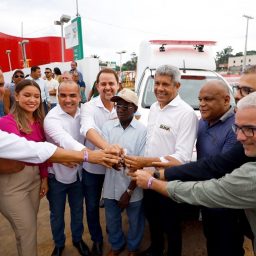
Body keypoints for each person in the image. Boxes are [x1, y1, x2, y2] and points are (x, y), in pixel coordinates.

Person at [132, 91, 256, 254]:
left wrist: (152, 181)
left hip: (224, 203)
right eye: (238, 128)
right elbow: (209, 165)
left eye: (249, 129)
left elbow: (209, 187)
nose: (239, 136)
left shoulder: (251, 176)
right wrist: (160, 175)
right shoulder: (203, 122)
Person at [125, 65, 198, 256]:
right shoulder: (155, 107)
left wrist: (145, 161)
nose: (159, 88)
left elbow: (182, 157)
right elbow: (151, 142)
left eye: (165, 84)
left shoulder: (186, 113)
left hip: (169, 179)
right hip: (148, 177)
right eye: (156, 83)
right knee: (153, 218)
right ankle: (156, 249)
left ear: (177, 86)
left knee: (171, 223)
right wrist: (142, 165)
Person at [0, 79, 50, 256]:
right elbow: (28, 153)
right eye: (27, 95)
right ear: (16, 96)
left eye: (36, 96)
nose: (32, 100)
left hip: (35, 180)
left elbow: (42, 155)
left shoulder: (39, 122)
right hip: (13, 184)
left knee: (27, 230)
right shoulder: (6, 123)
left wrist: (43, 177)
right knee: (27, 231)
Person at [196, 80, 244, 256]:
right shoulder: (202, 121)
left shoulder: (235, 127)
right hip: (207, 198)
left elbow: (221, 168)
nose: (201, 104)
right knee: (211, 239)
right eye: (200, 99)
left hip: (227, 205)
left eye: (207, 99)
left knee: (228, 246)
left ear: (226, 100)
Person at [44, 80, 91, 256]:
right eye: (63, 95)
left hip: (78, 175)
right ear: (57, 96)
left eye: (72, 95)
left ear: (79, 97)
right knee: (57, 214)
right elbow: (66, 141)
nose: (68, 100)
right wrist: (87, 155)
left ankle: (78, 240)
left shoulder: (84, 115)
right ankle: (59, 244)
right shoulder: (52, 118)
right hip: (56, 176)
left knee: (78, 210)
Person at [102, 89, 146, 256]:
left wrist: (129, 192)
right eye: (117, 105)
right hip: (110, 186)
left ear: (134, 109)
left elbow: (141, 164)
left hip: (132, 186)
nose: (119, 109)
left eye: (125, 106)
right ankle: (116, 245)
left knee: (135, 221)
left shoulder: (142, 131)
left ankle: (133, 248)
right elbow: (103, 154)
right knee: (112, 220)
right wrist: (110, 162)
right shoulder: (107, 127)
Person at [80, 68, 119, 256]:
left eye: (111, 83)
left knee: (115, 204)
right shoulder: (88, 107)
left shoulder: (124, 106)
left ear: (118, 85)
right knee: (93, 206)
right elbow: (87, 129)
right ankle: (97, 239)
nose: (107, 87)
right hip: (93, 168)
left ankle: (114, 236)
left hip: (115, 169)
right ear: (97, 86)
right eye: (103, 83)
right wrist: (107, 148)